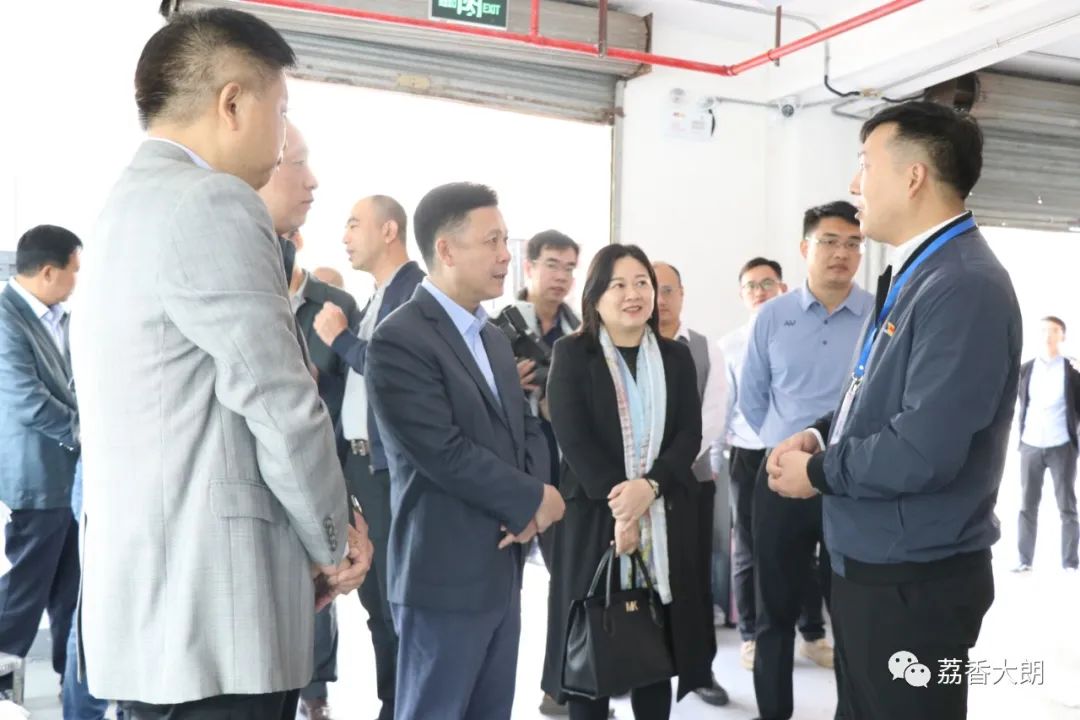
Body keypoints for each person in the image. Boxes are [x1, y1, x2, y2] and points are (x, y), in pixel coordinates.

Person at [69, 10, 371, 718]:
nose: (281, 133)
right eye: (280, 109)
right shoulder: (212, 201)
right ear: (233, 102)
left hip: (157, 613)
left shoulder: (123, 207)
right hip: (216, 618)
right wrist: (333, 539)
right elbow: (281, 403)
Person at [767, 101, 1022, 720]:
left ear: (913, 177)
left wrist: (818, 472)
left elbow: (921, 451)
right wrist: (818, 435)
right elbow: (873, 396)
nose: (855, 183)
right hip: (877, 563)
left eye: (865, 163)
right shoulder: (922, 272)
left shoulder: (964, 285)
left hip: (913, 580)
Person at [365, 182, 564, 720]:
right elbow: (443, 452)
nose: (506, 255)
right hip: (443, 577)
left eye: (505, 240)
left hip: (502, 567)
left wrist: (535, 499)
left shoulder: (492, 337)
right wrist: (532, 500)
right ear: (446, 250)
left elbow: (525, 426)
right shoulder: (400, 338)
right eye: (492, 241)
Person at [542, 244, 713, 720]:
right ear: (595, 296)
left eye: (642, 283)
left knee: (653, 648)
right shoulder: (572, 353)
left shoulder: (676, 357)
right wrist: (623, 505)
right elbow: (573, 438)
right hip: (593, 518)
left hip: (664, 515)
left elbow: (689, 434)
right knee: (590, 646)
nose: (633, 294)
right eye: (618, 284)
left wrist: (650, 487)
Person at [740, 201, 871, 720]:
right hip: (779, 481)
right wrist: (784, 445)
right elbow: (752, 397)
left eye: (853, 243)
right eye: (829, 241)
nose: (842, 253)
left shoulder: (879, 315)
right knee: (774, 612)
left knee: (853, 615)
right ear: (804, 248)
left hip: (849, 483)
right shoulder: (773, 316)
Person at [258, 120, 360, 720]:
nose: (312, 181)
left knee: (318, 604)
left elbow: (342, 399)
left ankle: (315, 694)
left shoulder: (334, 305)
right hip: (273, 490)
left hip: (323, 465)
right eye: (297, 163)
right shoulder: (249, 293)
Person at [313, 194, 426, 720]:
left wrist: (340, 340)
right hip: (359, 464)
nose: (345, 236)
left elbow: (390, 367)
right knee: (375, 601)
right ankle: (392, 701)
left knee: (396, 599)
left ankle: (406, 704)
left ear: (389, 230)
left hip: (389, 470)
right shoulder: (375, 297)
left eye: (354, 224)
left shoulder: (415, 293)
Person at [0, 225, 81, 699]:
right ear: (48, 271)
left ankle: (75, 684)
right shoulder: (5, 318)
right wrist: (83, 433)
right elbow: (26, 399)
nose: (76, 281)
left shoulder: (59, 316)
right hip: (36, 476)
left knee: (71, 592)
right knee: (26, 591)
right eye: (74, 271)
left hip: (68, 478)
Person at [653, 261, 730, 707]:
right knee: (640, 579)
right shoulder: (627, 344)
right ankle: (635, 662)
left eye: (668, 290)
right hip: (636, 487)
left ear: (682, 294)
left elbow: (712, 417)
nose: (660, 299)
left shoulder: (703, 348)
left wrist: (666, 469)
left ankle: (699, 670)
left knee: (694, 579)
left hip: (690, 484)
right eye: (652, 289)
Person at [713, 257, 790, 671]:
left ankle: (810, 632)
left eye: (767, 283)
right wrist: (714, 457)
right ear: (741, 295)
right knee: (747, 548)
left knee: (797, 548)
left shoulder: (798, 337)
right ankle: (750, 636)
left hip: (793, 452)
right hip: (746, 452)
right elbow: (722, 408)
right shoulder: (729, 345)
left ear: (783, 288)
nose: (759, 292)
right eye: (751, 286)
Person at [1014, 316, 1080, 573]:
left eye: (1054, 331)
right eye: (1044, 331)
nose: (1048, 335)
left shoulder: (1071, 371)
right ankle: (1024, 560)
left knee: (1067, 506)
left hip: (1061, 445)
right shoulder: (1026, 369)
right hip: (1030, 445)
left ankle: (1070, 562)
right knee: (1027, 506)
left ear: (1062, 336)